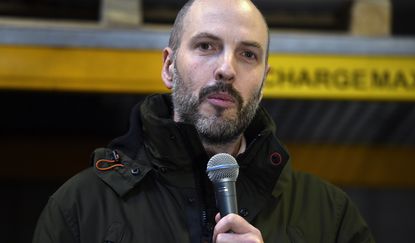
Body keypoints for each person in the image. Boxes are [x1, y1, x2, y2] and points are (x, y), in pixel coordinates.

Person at [33, 0, 375, 242]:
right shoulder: (81, 208)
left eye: (247, 54)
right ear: (169, 67)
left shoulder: (331, 216)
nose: (227, 68)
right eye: (207, 46)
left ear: (264, 80)